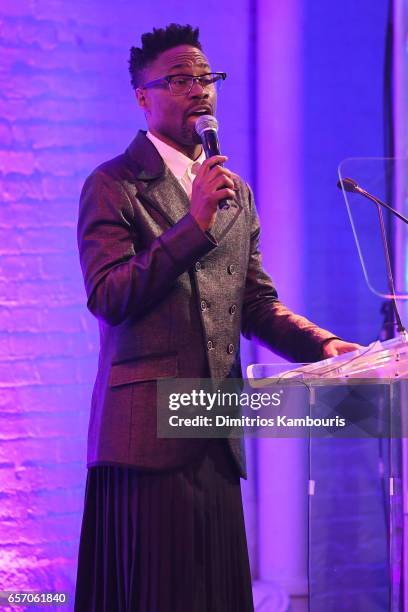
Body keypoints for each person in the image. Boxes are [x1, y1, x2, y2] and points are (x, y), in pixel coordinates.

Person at [74, 23, 358, 612]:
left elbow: (254, 301)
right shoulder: (113, 185)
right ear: (143, 96)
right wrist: (192, 226)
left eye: (206, 78)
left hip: (216, 425)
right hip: (146, 436)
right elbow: (109, 296)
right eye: (179, 79)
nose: (199, 89)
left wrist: (323, 345)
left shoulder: (236, 193)